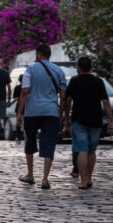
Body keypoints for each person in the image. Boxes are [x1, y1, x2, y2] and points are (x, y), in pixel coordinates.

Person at [16, 44, 67, 190]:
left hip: (32, 111)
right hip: (51, 111)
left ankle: (30, 174)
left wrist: (20, 113)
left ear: (38, 54)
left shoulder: (30, 69)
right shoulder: (59, 71)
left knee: (30, 141)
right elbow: (63, 95)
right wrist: (61, 114)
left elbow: (25, 91)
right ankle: (45, 178)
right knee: (49, 142)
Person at [64, 56, 113, 189]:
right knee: (91, 150)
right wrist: (111, 121)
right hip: (95, 120)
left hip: (79, 120)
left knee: (82, 149)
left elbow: (68, 100)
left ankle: (83, 180)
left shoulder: (74, 81)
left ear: (78, 68)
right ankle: (89, 178)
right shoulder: (98, 81)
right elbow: (105, 101)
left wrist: (66, 117)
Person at [8, 74, 24, 141]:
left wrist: (11, 103)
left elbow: (16, 98)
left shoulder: (17, 87)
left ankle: (18, 137)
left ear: (19, 80)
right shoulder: (29, 87)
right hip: (28, 106)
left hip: (19, 106)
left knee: (19, 121)